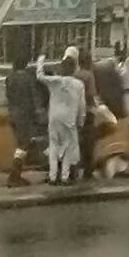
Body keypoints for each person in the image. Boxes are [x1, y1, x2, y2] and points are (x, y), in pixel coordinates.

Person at [36, 53, 85, 186]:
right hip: (69, 118)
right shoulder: (79, 85)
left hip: (54, 117)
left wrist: (41, 60)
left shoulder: (55, 81)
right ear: (74, 69)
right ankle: (64, 176)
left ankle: (52, 176)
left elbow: (39, 76)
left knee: (54, 145)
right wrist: (81, 121)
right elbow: (82, 106)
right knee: (68, 147)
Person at [5, 51, 40, 187]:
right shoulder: (28, 78)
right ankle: (14, 176)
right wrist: (38, 112)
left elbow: (8, 96)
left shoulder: (9, 78)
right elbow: (34, 96)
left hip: (12, 114)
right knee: (23, 145)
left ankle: (16, 175)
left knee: (20, 144)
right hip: (24, 116)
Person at [74, 49, 99, 179]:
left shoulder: (75, 74)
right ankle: (88, 171)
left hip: (75, 111)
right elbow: (91, 94)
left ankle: (74, 168)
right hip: (88, 110)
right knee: (89, 141)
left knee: (77, 141)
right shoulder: (89, 75)